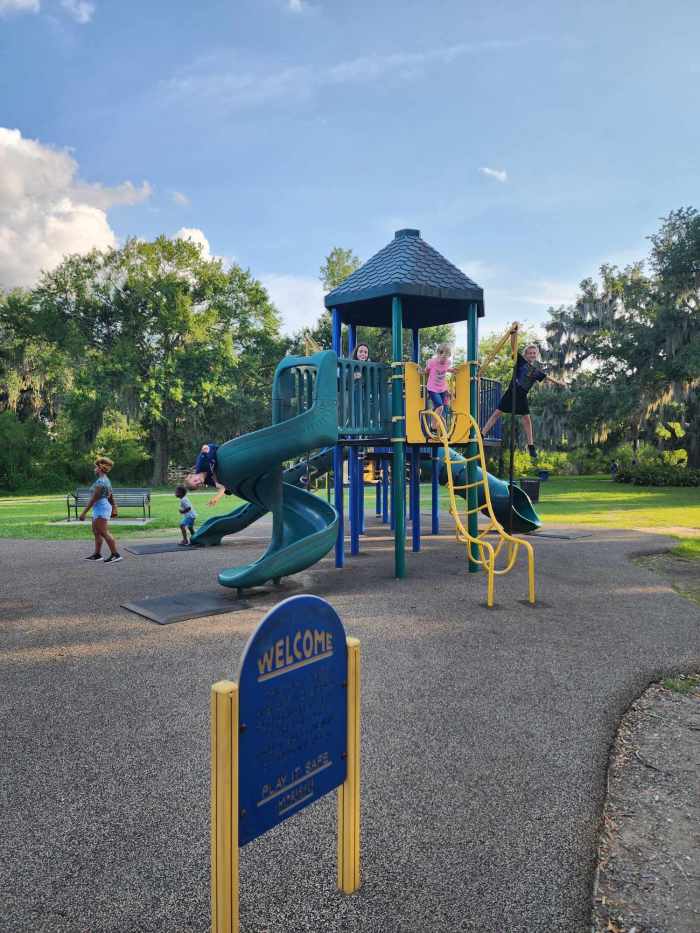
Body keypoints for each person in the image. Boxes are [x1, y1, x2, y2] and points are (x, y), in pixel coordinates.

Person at [481, 344, 565, 462]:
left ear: (536, 355)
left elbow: (546, 377)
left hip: (521, 396)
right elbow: (513, 347)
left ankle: (530, 445)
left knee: (527, 420)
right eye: (529, 353)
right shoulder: (520, 361)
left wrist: (558, 383)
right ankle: (482, 433)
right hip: (511, 393)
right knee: (497, 413)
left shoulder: (535, 371)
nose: (531, 355)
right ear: (525, 354)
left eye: (534, 353)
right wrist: (513, 333)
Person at [79, 456, 122, 563]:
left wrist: (83, 513)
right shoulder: (105, 480)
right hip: (100, 507)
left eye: (95, 467)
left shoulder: (101, 482)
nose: (94, 469)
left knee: (103, 532)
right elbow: (111, 495)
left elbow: (94, 499)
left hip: (101, 508)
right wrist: (114, 508)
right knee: (96, 531)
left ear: (100, 468)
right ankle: (97, 554)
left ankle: (115, 555)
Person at [425, 343, 456, 417]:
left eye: (446, 357)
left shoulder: (448, 362)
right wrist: (423, 371)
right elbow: (427, 370)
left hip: (442, 388)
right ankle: (433, 426)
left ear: (449, 356)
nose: (443, 360)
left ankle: (434, 426)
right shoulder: (432, 362)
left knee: (439, 408)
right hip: (432, 388)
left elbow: (445, 368)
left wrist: (451, 370)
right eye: (442, 357)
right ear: (438, 354)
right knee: (439, 406)